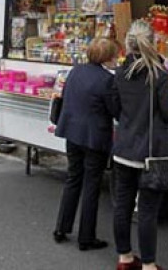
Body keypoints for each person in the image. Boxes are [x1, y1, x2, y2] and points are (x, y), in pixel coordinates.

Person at [112, 20, 168, 270]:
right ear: (152, 43)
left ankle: (125, 258)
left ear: (128, 44)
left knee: (123, 205)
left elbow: (115, 109)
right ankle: (149, 266)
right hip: (150, 153)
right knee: (147, 211)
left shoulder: (120, 73)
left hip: (123, 149)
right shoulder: (159, 75)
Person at [52, 37, 120, 251]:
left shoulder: (75, 71)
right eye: (114, 56)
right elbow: (115, 111)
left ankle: (61, 228)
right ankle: (86, 237)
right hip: (94, 137)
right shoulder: (106, 80)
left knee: (73, 178)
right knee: (91, 185)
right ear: (107, 58)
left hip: (72, 132)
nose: (116, 59)